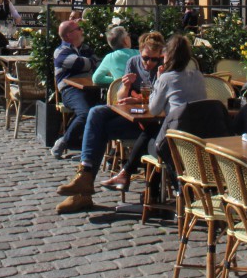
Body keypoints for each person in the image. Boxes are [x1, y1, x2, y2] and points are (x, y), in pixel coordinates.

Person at [56, 32, 204, 211]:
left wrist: (143, 96)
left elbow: (159, 108)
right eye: (145, 58)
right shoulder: (133, 63)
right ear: (138, 52)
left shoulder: (167, 73)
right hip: (142, 120)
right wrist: (125, 87)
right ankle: (85, 176)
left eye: (155, 59)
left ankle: (86, 189)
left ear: (164, 56)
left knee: (101, 129)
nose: (149, 63)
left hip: (159, 127)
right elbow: (121, 98)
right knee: (96, 114)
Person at [50, 19, 100, 159]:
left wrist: (90, 63)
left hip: (90, 88)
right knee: (85, 114)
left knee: (101, 113)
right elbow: (80, 64)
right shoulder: (61, 51)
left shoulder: (86, 48)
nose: (81, 31)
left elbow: (98, 64)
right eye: (78, 28)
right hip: (70, 90)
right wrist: (90, 62)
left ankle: (88, 150)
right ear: (68, 35)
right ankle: (63, 142)